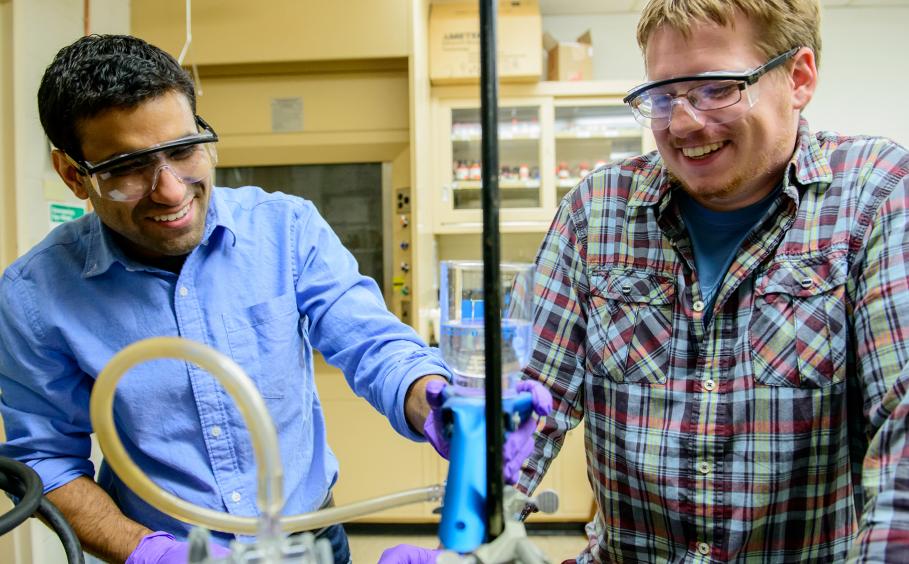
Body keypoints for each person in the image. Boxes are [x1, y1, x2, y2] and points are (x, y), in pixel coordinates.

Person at [0, 34, 549, 564]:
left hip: (308, 539)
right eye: (125, 169)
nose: (170, 190)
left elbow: (374, 345)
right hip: (167, 546)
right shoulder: (35, 295)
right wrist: (148, 553)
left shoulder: (285, 228)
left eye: (185, 150)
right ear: (74, 175)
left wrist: (438, 401)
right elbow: (45, 461)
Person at [515, 0, 909, 562]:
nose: (681, 124)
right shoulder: (598, 210)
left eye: (715, 89)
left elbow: (903, 426)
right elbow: (531, 400)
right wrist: (480, 527)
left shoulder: (874, 194)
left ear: (798, 78)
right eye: (662, 95)